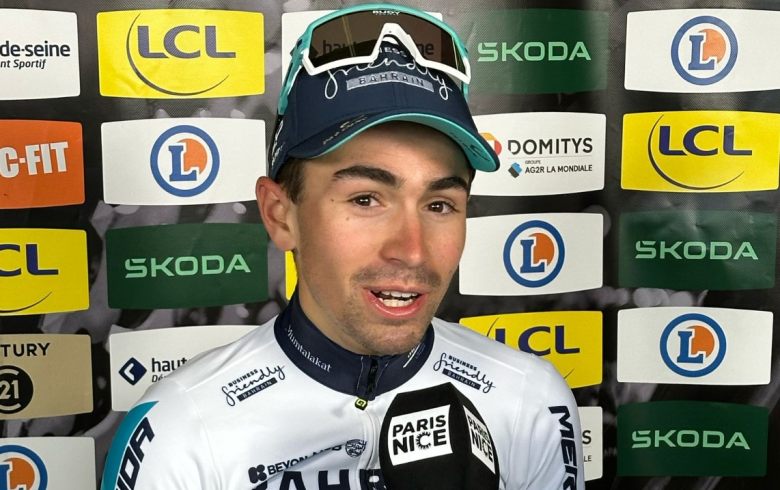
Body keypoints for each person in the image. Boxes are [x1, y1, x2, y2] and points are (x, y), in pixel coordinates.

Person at [101, 4, 584, 489]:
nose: (412, 251)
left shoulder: (529, 402)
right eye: (366, 199)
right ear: (280, 214)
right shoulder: (180, 429)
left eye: (439, 204)